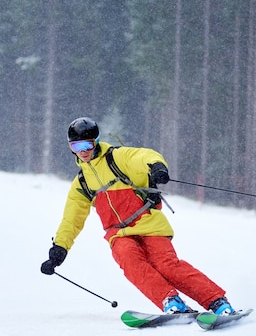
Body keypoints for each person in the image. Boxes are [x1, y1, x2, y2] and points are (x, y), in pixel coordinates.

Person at [40, 117, 236, 315]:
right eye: (75, 146)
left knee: (166, 265)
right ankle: (171, 302)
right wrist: (59, 248)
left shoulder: (116, 158)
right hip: (119, 234)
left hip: (148, 223)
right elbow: (71, 219)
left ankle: (217, 301)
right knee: (130, 261)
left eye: (86, 144)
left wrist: (157, 166)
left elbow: (143, 156)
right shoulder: (82, 183)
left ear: (96, 142)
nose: (82, 151)